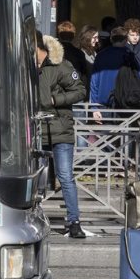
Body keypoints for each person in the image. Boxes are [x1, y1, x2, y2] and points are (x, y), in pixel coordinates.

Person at [36, 34, 88, 238]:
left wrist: (54, 99)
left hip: (59, 129)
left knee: (65, 176)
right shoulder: (26, 66)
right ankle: (34, 216)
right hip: (36, 129)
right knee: (36, 179)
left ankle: (74, 221)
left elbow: (80, 90)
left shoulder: (60, 65)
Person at [89, 26, 140, 110]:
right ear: (126, 40)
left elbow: (94, 82)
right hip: (125, 103)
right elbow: (139, 80)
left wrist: (94, 107)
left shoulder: (101, 56)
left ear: (111, 39)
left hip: (103, 104)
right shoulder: (129, 56)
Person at [58, 20, 90, 85]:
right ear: (73, 36)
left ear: (59, 35)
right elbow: (84, 76)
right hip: (73, 87)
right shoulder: (79, 53)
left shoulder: (52, 52)